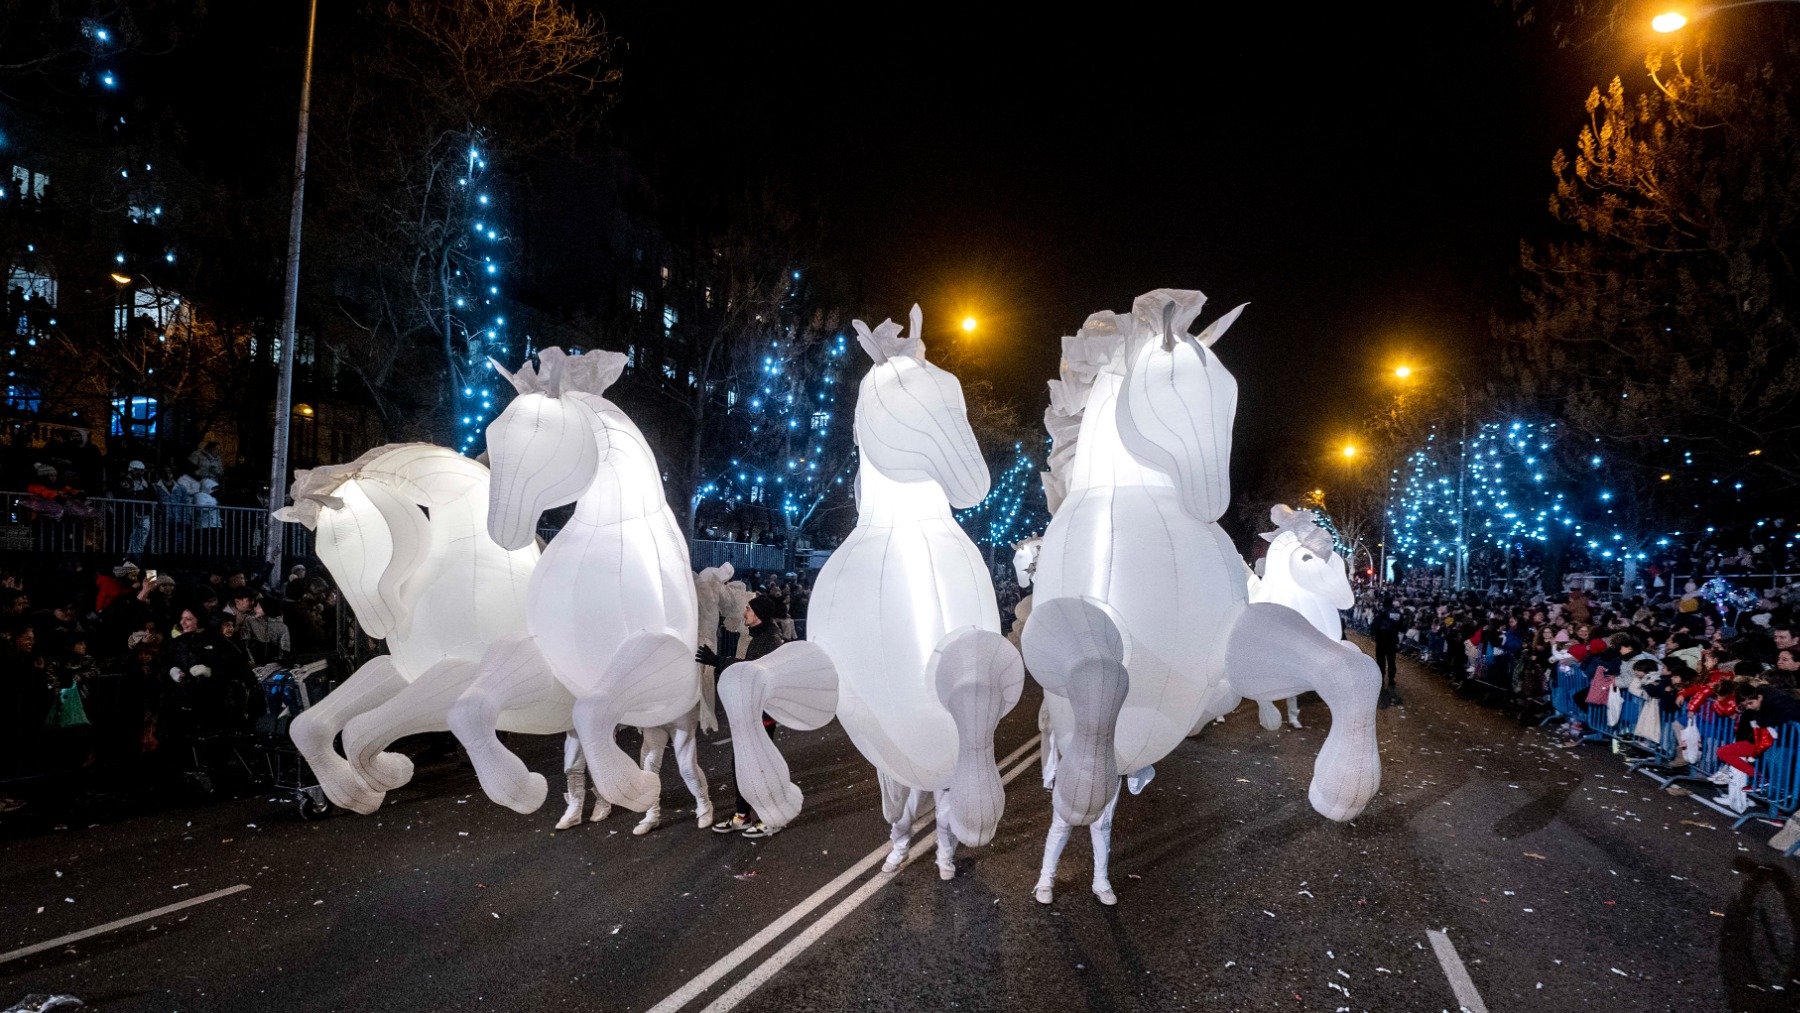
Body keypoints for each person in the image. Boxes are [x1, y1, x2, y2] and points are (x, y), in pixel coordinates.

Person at [697, 595, 785, 838]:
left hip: (761, 717)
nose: (744, 612)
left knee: (760, 768)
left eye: (748, 609)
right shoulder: (759, 637)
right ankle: (742, 816)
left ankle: (772, 818)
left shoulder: (770, 640)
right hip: (749, 713)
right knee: (742, 765)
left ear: (758, 614)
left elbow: (753, 671)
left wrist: (718, 660)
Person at [1371, 597, 1402, 687]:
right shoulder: (1397, 613)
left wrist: (1373, 634)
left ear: (1384, 603)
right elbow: (1401, 625)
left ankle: (1381, 679)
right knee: (1391, 660)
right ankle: (1391, 679)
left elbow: (1375, 625)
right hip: (1392, 640)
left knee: (1381, 660)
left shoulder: (1380, 612)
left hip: (1381, 641)